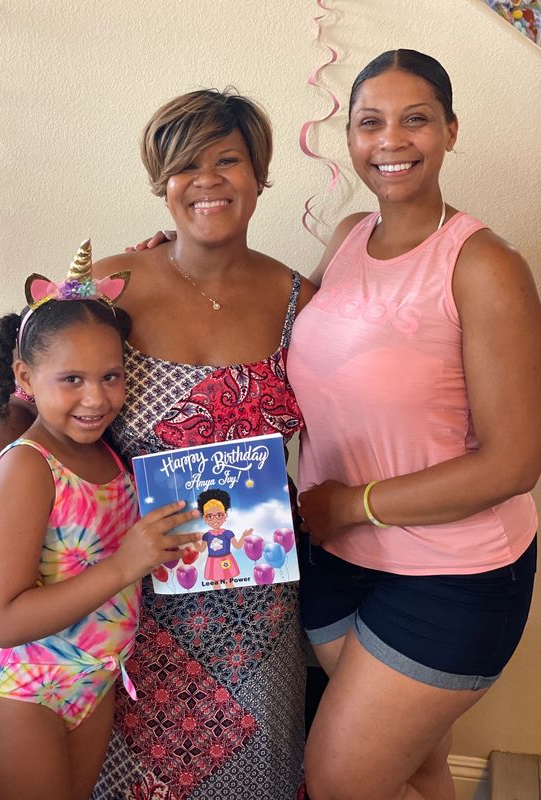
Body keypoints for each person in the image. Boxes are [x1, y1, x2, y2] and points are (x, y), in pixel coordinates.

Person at [0, 91, 316, 799]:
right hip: (120, 615)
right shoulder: (112, 286)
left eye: (228, 162)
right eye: (187, 166)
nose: (208, 181)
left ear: (260, 175)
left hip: (254, 605)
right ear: (163, 182)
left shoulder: (300, 301)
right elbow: (27, 385)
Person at [286, 50, 541, 800]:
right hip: (337, 558)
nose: (390, 140)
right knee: (418, 768)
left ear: (451, 131)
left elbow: (514, 463)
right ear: (351, 139)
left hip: (450, 575)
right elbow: (294, 330)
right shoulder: (347, 237)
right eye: (370, 122)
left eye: (415, 119)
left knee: (338, 780)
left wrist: (352, 504)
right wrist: (174, 260)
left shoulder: (486, 265)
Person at [0, 242, 201, 800]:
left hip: (92, 683)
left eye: (111, 376)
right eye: (71, 380)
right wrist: (126, 563)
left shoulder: (108, 455)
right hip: (19, 691)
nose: (96, 398)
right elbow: (6, 620)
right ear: (25, 374)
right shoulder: (26, 465)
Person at [196, 488, 252, 587]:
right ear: (205, 518)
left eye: (219, 515)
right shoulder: (207, 536)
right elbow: (201, 549)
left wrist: (243, 536)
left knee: (228, 582)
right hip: (213, 561)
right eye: (209, 516)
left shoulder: (228, 533)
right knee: (215, 584)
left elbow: (238, 546)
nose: (215, 520)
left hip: (226, 559)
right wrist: (193, 541)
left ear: (225, 516)